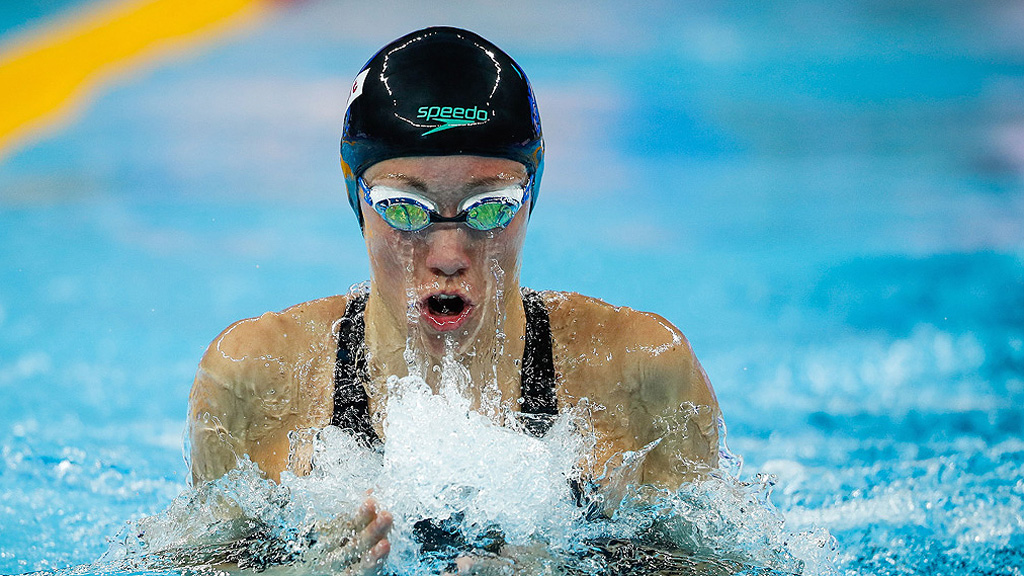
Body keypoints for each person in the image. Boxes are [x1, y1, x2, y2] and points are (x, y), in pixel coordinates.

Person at [187, 26, 720, 574]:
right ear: (355, 197)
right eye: (404, 208)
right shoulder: (254, 379)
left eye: (489, 207)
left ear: (532, 195)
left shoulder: (640, 374)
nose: (447, 254)